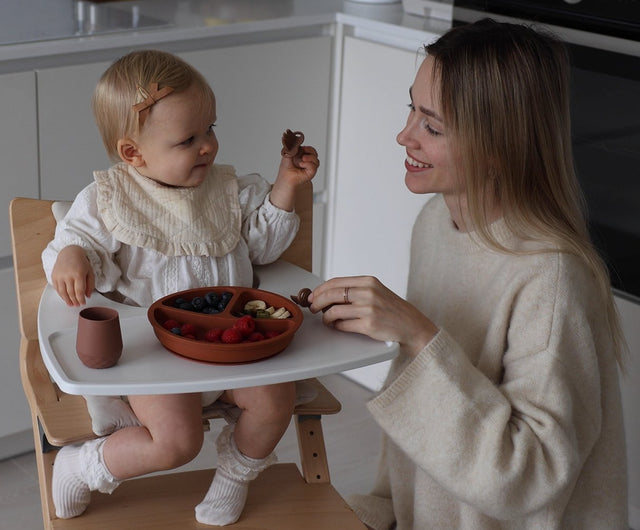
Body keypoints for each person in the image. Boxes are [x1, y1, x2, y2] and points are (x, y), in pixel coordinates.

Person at [308, 19, 628, 530]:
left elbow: (528, 479)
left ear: (501, 146)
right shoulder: (437, 221)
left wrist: (416, 333)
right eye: (410, 108)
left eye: (432, 126)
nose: (404, 135)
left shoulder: (552, 278)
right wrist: (385, 509)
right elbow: (427, 420)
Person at [41, 49, 319, 526]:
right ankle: (81, 467)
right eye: (188, 139)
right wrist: (70, 256)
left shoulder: (229, 189)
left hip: (234, 341)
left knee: (277, 401)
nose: (208, 146)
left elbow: (264, 248)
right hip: (157, 355)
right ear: (133, 153)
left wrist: (286, 186)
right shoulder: (111, 198)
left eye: (211, 128)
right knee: (176, 443)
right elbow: (77, 240)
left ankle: (234, 477)